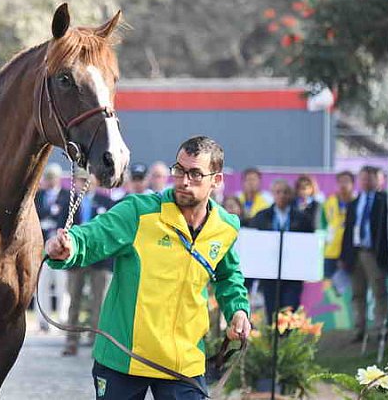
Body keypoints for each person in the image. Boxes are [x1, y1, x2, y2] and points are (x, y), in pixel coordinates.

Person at [45, 136, 250, 400]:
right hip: (123, 357)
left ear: (217, 180)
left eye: (196, 174)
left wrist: (238, 310)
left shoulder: (225, 227)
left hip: (183, 362)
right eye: (180, 170)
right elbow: (92, 237)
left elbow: (227, 276)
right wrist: (68, 247)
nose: (184, 181)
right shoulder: (137, 211)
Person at [63, 169, 116, 356]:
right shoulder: (68, 203)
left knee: (99, 301)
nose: (83, 183)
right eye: (79, 180)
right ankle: (71, 341)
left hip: (99, 258)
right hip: (76, 259)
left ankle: (97, 342)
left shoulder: (106, 202)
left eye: (86, 180)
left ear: (94, 180)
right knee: (74, 300)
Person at [249, 179, 313, 324]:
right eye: (278, 192)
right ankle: (273, 339)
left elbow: (309, 243)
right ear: (273, 194)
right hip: (269, 271)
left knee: (290, 306)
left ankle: (288, 341)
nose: (282, 195)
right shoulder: (262, 216)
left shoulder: (302, 218)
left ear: (291, 195)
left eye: (285, 192)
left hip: (293, 271)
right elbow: (254, 242)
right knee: (272, 308)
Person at [341, 166, 388, 343]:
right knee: (357, 293)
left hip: (374, 253)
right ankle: (359, 329)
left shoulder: (385, 201)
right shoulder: (354, 202)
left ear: (379, 180)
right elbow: (347, 231)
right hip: (356, 252)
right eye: (362, 178)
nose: (366, 181)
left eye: (370, 178)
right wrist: (344, 256)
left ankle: (380, 328)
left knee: (379, 291)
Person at [34, 163, 70, 332]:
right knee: (42, 284)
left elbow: (71, 219)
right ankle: (43, 320)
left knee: (62, 283)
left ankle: (62, 318)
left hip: (60, 245)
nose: (50, 181)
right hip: (41, 245)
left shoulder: (67, 196)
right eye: (47, 178)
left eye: (53, 178)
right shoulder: (38, 196)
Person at [322, 171, 355, 279]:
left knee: (350, 289)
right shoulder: (328, 202)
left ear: (352, 184)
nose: (343, 185)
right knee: (329, 288)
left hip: (350, 253)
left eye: (346, 181)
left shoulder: (357, 203)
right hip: (331, 252)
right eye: (340, 182)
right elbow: (322, 225)